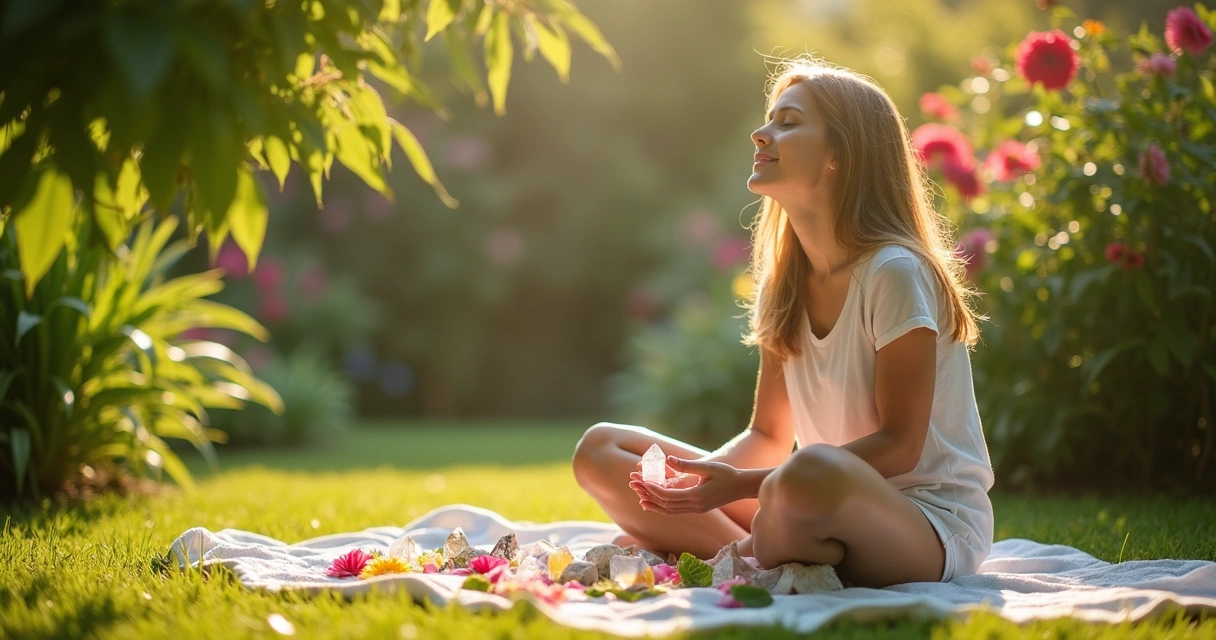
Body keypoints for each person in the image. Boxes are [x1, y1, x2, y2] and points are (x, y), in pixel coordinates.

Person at [572, 57, 995, 588]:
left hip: (924, 524)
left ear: (841, 153)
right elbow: (769, 434)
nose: (761, 133)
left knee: (805, 476)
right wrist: (696, 485)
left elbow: (899, 445)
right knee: (600, 450)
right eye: (770, 120)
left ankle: (717, 555)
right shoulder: (786, 282)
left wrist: (741, 486)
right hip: (803, 501)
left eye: (788, 122)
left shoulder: (894, 271)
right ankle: (735, 554)